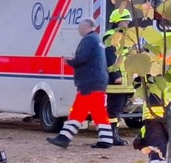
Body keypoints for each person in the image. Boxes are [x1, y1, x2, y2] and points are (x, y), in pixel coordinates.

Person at [48, 18, 111, 149]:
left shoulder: (88, 40)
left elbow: (82, 59)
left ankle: (64, 137)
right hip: (98, 81)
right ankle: (106, 139)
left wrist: (69, 61)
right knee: (98, 112)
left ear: (86, 26)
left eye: (80, 27)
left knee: (79, 110)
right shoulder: (97, 39)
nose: (79, 29)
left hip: (89, 82)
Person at [103, 9, 135, 147]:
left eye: (128, 21)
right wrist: (116, 76)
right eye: (125, 21)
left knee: (117, 112)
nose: (127, 23)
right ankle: (111, 136)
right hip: (116, 84)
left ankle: (113, 135)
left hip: (124, 84)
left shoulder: (124, 39)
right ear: (117, 22)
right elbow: (110, 61)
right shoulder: (111, 39)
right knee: (113, 112)